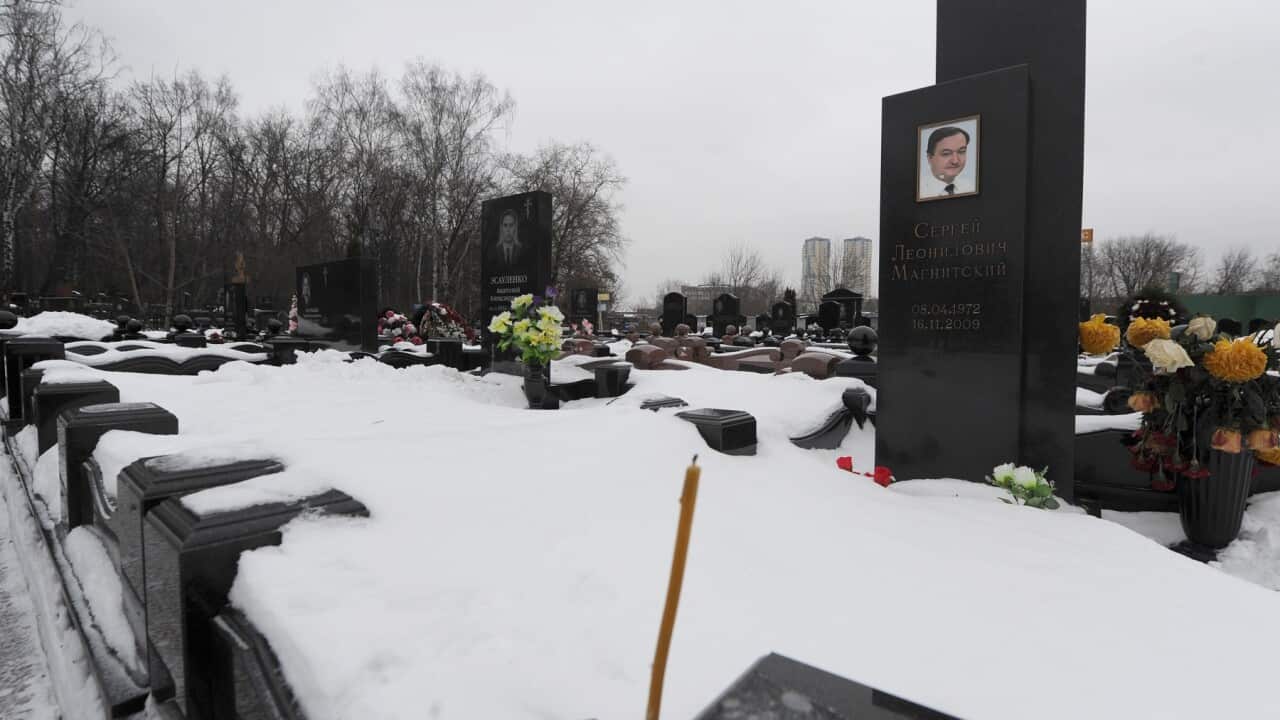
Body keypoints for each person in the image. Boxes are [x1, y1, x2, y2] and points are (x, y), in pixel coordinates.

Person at [919, 125, 975, 199]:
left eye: (961, 151)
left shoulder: (969, 187)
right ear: (929, 158)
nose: (955, 161)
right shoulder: (920, 190)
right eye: (946, 153)